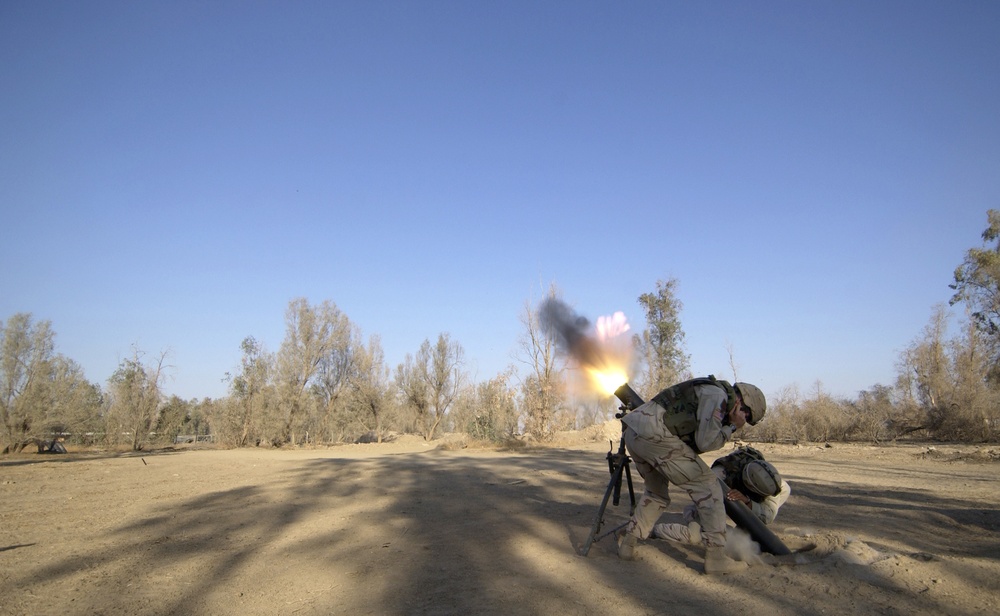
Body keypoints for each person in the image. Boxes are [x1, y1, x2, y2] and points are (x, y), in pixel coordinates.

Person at [615, 375, 766, 574]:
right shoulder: (717, 396)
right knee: (709, 486)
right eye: (746, 415)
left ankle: (628, 545)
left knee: (656, 494)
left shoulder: (711, 390)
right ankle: (716, 558)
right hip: (653, 435)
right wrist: (731, 427)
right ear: (741, 402)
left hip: (635, 432)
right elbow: (706, 442)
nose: (743, 420)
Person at [652, 447, 791, 545]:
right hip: (710, 497)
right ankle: (654, 530)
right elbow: (703, 497)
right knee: (693, 536)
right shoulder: (720, 475)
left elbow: (768, 515)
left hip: (744, 495)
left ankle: (744, 529)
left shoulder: (773, 485)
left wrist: (747, 502)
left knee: (745, 535)